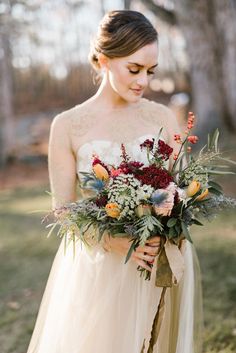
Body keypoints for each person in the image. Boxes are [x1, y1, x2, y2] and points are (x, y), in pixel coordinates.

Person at [26, 10, 203, 353]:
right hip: (101, 267)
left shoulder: (162, 116)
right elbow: (63, 211)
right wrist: (117, 244)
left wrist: (170, 220)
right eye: (133, 69)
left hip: (158, 260)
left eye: (150, 71)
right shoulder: (67, 125)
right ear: (104, 60)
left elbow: (182, 187)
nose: (143, 81)